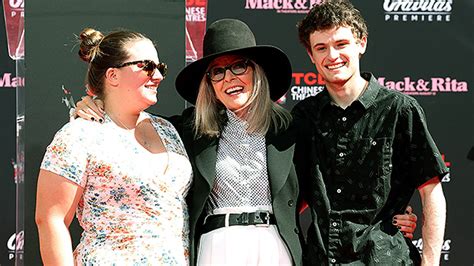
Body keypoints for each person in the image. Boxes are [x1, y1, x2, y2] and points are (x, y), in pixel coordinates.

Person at [74, 19, 418, 265]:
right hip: (214, 247)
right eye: (217, 72)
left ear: (257, 72)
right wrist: (95, 104)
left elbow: (334, 183)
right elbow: (130, 119)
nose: (229, 78)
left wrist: (391, 215)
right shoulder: (188, 130)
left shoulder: (292, 128)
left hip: (275, 246)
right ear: (209, 82)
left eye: (239, 66)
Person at [293, 0, 448, 265]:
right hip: (320, 259)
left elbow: (431, 191)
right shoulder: (303, 117)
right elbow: (292, 197)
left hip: (384, 258)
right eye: (321, 48)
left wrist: (430, 262)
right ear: (311, 55)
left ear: (361, 43)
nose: (332, 56)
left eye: (341, 44)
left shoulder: (399, 110)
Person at [35, 28, 192, 265]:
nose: (158, 76)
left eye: (161, 68)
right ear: (113, 75)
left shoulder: (170, 130)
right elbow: (50, 220)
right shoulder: (79, 135)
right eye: (147, 66)